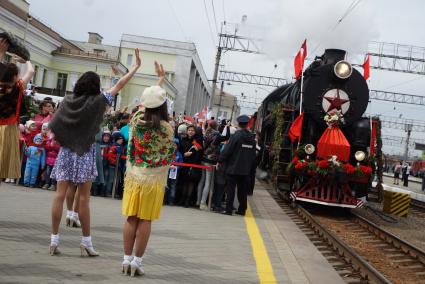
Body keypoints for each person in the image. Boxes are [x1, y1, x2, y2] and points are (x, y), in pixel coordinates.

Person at [47, 48, 141, 256]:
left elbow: (53, 126)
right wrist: (134, 67)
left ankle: (54, 240)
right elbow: (119, 85)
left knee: (59, 196)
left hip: (66, 152)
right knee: (84, 200)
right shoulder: (99, 102)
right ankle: (86, 242)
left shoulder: (68, 101)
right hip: (86, 153)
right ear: (96, 87)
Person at [121, 62, 174, 277]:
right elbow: (152, 104)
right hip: (154, 180)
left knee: (131, 218)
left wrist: (158, 81)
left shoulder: (135, 120)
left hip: (134, 176)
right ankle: (137, 262)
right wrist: (161, 80)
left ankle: (125, 260)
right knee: (145, 220)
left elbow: (146, 106)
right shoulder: (167, 129)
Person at [0, 37, 34, 183]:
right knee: (3, 165)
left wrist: (2, 52)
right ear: (15, 76)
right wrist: (25, 60)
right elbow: (31, 71)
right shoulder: (17, 87)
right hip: (8, 127)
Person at [218, 115, 256, 216]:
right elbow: (253, 156)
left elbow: (227, 150)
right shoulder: (252, 138)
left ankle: (229, 209)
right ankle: (242, 209)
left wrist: (220, 160)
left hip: (233, 168)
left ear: (238, 124)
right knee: (242, 191)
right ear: (247, 124)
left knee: (230, 190)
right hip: (246, 170)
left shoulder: (236, 136)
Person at [196, 120, 220, 209]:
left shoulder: (205, 133)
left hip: (203, 158)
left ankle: (198, 201)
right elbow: (215, 148)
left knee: (202, 180)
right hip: (210, 160)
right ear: (216, 126)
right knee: (208, 182)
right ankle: (203, 203)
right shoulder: (217, 135)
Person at [179, 124, 203, 207]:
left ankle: (187, 200)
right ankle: (182, 199)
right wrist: (184, 154)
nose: (190, 132)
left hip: (193, 163)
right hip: (184, 162)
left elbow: (200, 152)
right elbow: (180, 150)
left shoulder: (197, 140)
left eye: (192, 130)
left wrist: (196, 151)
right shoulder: (183, 139)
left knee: (191, 182)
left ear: (195, 132)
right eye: (189, 130)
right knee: (184, 181)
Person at [165, 138, 183, 205]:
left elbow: (181, 164)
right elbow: (164, 162)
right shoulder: (167, 153)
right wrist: (169, 167)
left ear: (177, 146)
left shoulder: (179, 154)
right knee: (165, 185)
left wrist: (176, 167)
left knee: (173, 186)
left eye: (175, 145)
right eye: (172, 145)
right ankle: (164, 200)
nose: (173, 147)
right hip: (166, 172)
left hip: (175, 174)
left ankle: (171, 200)